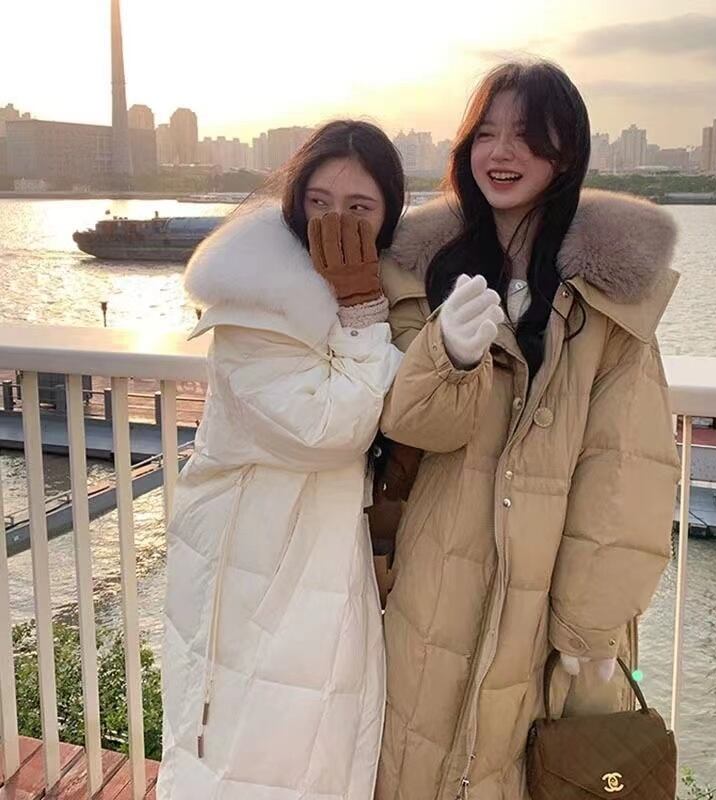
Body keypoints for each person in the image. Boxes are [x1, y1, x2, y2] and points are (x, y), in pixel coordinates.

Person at [374, 60, 681, 799]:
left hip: (547, 605)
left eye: (527, 135)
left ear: (565, 153)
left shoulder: (606, 302)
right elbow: (411, 427)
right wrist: (448, 355)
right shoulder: (422, 275)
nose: (501, 153)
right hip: (431, 581)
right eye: (486, 133)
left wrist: (590, 628)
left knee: (524, 765)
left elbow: (625, 468)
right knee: (414, 757)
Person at [157, 120, 406, 799]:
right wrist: (364, 313)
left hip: (309, 548)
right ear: (295, 201)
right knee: (252, 752)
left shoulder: (356, 287)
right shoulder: (254, 304)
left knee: (312, 744)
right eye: (320, 203)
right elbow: (329, 429)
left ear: (388, 216)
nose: (336, 223)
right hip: (255, 558)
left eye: (360, 208)